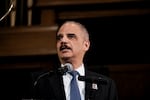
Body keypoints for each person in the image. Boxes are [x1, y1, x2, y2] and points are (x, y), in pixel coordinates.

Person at [33, 21, 118, 100]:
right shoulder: (40, 81)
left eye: (71, 36)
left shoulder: (106, 85)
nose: (63, 40)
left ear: (86, 45)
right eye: (59, 38)